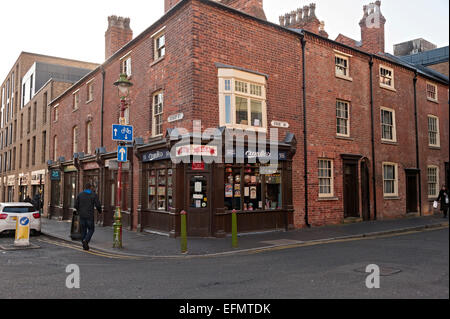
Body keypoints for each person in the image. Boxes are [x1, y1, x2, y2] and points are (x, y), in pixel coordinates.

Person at [74, 183, 102, 251]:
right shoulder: (93, 195)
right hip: (89, 216)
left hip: (82, 215)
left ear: (85, 188)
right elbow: (98, 205)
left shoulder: (80, 195)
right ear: (90, 187)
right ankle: (86, 241)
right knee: (91, 229)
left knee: (83, 230)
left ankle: (84, 245)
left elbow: (75, 205)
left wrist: (79, 211)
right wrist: (100, 211)